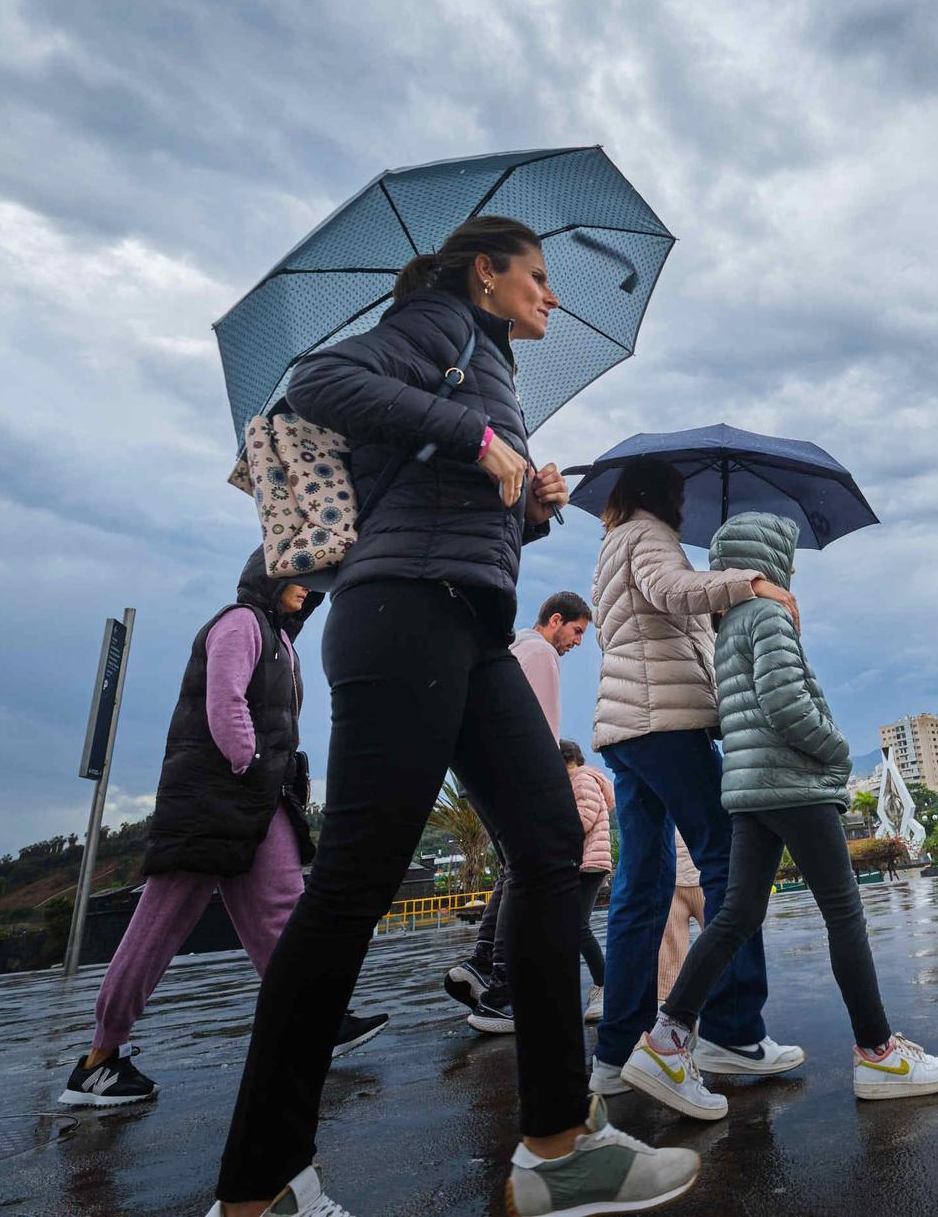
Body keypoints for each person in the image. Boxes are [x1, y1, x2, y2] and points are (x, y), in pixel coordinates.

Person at [205, 219, 698, 1217]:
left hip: (465, 623)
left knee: (552, 842)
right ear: (486, 271)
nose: (551, 298)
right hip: (403, 615)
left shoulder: (484, 363)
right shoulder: (433, 323)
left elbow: (443, 497)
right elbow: (318, 383)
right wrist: (479, 438)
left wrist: (534, 502)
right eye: (539, 277)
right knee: (353, 881)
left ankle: (556, 1148)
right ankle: (258, 1192)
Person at [621, 513, 938, 1119]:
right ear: (769, 559)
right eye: (790, 557)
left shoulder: (725, 624)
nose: (793, 569)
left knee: (736, 915)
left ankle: (666, 1042)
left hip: (751, 789)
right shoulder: (769, 614)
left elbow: (739, 713)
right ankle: (879, 1052)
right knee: (843, 912)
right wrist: (835, 752)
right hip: (794, 783)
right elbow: (785, 703)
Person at [59, 549, 386, 1108]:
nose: (308, 589)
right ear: (272, 575)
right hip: (212, 803)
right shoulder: (239, 623)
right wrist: (249, 760)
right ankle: (99, 1060)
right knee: (160, 925)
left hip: (259, 801)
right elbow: (224, 698)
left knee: (284, 911)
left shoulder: (281, 640)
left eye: (313, 582)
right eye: (300, 578)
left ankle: (314, 1023)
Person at [587, 458, 804, 1099]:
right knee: (730, 863)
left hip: (627, 731)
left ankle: (615, 1055)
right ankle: (733, 1033)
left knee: (641, 890)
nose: (683, 500)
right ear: (661, 493)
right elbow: (672, 591)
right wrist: (752, 582)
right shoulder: (651, 534)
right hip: (665, 725)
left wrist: (706, 619)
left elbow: (656, 621)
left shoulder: (612, 543)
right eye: (678, 490)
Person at [444, 591, 593, 1033]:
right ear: (556, 620)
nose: (578, 642)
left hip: (483, 772)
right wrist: (551, 787)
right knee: (530, 872)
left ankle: (481, 964)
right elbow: (542, 727)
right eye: (577, 631)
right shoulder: (541, 653)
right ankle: (504, 992)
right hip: (519, 776)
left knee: (513, 870)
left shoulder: (511, 648)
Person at [563, 739, 616, 1021]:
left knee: (578, 926)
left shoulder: (581, 778)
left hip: (589, 862)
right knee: (573, 925)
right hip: (588, 861)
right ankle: (603, 985)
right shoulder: (584, 777)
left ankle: (604, 986)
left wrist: (552, 830)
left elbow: (581, 819)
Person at [656, 829, 703, 1001]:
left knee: (724, 947)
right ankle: (665, 1006)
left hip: (705, 879)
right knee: (668, 953)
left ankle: (728, 1000)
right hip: (672, 883)